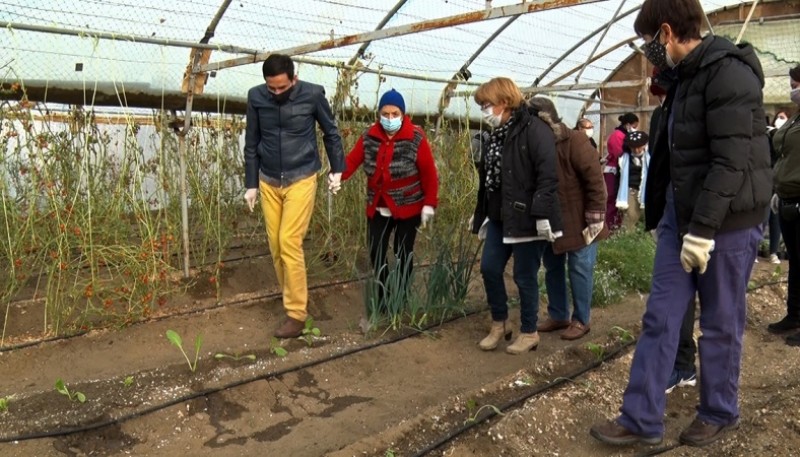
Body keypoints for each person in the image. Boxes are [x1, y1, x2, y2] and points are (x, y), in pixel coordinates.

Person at [590, 0, 771, 448]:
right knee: (661, 315)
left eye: (648, 42)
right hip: (681, 214)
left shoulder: (729, 73)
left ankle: (718, 410)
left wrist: (704, 231)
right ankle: (640, 417)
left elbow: (730, 163)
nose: (646, 51)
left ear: (667, 33)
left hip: (726, 221)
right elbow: (674, 154)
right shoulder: (684, 79)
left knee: (720, 321)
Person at [243, 54, 345, 338]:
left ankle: (297, 314)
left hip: (301, 176)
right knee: (276, 246)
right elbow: (251, 141)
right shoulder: (256, 98)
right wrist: (251, 182)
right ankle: (291, 295)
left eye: (282, 88)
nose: (275, 93)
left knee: (289, 240)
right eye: (271, 88)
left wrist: (338, 169)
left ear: (294, 79)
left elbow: (331, 133)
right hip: (268, 180)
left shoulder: (312, 95)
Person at [470, 77, 561, 355]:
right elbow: (490, 180)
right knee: (489, 267)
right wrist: (481, 214)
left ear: (505, 102)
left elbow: (548, 175)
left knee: (524, 275)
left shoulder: (535, 130)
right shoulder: (496, 135)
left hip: (528, 217)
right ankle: (500, 323)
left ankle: (529, 331)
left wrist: (543, 214)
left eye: (487, 104)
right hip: (500, 216)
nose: (485, 110)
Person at [341, 89, 439, 320]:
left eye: (395, 113)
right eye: (385, 113)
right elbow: (353, 160)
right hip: (378, 205)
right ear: (379, 114)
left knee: (403, 252)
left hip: (409, 206)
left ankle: (400, 300)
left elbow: (428, 173)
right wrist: (338, 174)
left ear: (403, 114)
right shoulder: (369, 136)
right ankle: (384, 299)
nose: (390, 118)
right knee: (376, 251)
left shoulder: (415, 137)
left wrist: (429, 203)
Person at [530, 97, 608, 341]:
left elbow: (596, 180)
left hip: (581, 218)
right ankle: (559, 314)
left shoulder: (575, 142)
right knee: (552, 266)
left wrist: (595, 217)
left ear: (545, 121)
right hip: (553, 219)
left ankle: (581, 320)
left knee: (579, 267)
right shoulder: (538, 146)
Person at [650, 68, 699, 394]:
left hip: (699, 218)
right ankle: (682, 366)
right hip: (675, 214)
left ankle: (680, 368)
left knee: (679, 301)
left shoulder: (696, 108)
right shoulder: (661, 114)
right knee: (676, 299)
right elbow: (659, 164)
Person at [769, 65, 800, 344]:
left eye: (796, 84)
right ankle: (794, 315)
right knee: (796, 261)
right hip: (788, 198)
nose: (793, 89)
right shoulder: (794, 119)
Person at [761, 110, 790, 265]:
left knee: (776, 219)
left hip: (779, 184)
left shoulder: (790, 137)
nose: (780, 120)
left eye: (783, 118)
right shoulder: (768, 136)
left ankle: (773, 252)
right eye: (779, 117)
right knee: (763, 218)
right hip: (766, 182)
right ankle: (754, 251)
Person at [604, 112, 639, 231]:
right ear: (628, 125)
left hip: (621, 171)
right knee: (612, 199)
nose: (635, 129)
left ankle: (615, 226)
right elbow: (620, 154)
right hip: (614, 171)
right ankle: (609, 227)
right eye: (634, 126)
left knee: (618, 201)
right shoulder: (617, 136)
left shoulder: (623, 135)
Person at [616, 130, 649, 230]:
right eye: (633, 148)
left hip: (648, 190)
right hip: (632, 190)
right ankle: (627, 239)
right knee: (630, 216)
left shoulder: (650, 157)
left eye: (639, 147)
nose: (637, 150)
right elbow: (620, 178)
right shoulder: (624, 159)